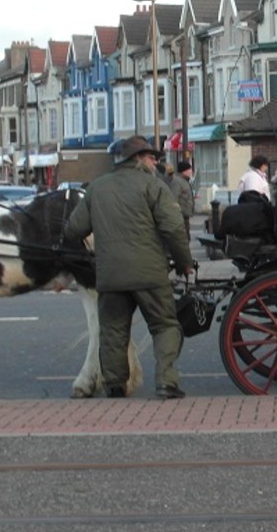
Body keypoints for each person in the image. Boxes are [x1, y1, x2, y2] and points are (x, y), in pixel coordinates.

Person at [63, 135, 194, 400]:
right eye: (152, 158)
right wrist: (184, 263)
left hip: (110, 274)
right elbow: (173, 227)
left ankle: (115, 385)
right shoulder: (153, 186)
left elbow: (73, 229)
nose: (155, 163)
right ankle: (166, 382)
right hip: (149, 273)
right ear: (138, 159)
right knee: (165, 325)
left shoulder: (97, 187)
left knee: (113, 330)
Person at [171, 161, 195, 239]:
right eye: (190, 169)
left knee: (186, 238)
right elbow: (174, 198)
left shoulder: (185, 181)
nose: (191, 171)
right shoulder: (177, 182)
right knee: (183, 239)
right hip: (180, 217)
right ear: (184, 171)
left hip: (184, 216)